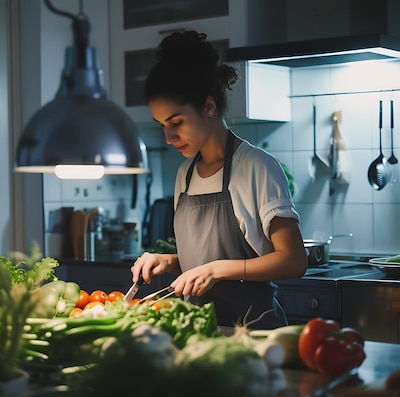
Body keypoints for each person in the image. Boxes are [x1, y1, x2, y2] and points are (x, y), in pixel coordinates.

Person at [130, 31, 307, 330]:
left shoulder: (256, 166)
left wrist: (217, 269)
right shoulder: (184, 175)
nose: (169, 137)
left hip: (253, 334)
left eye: (177, 123)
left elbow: (293, 261)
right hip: (197, 332)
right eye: (162, 126)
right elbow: (201, 259)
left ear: (209, 107)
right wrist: (169, 261)